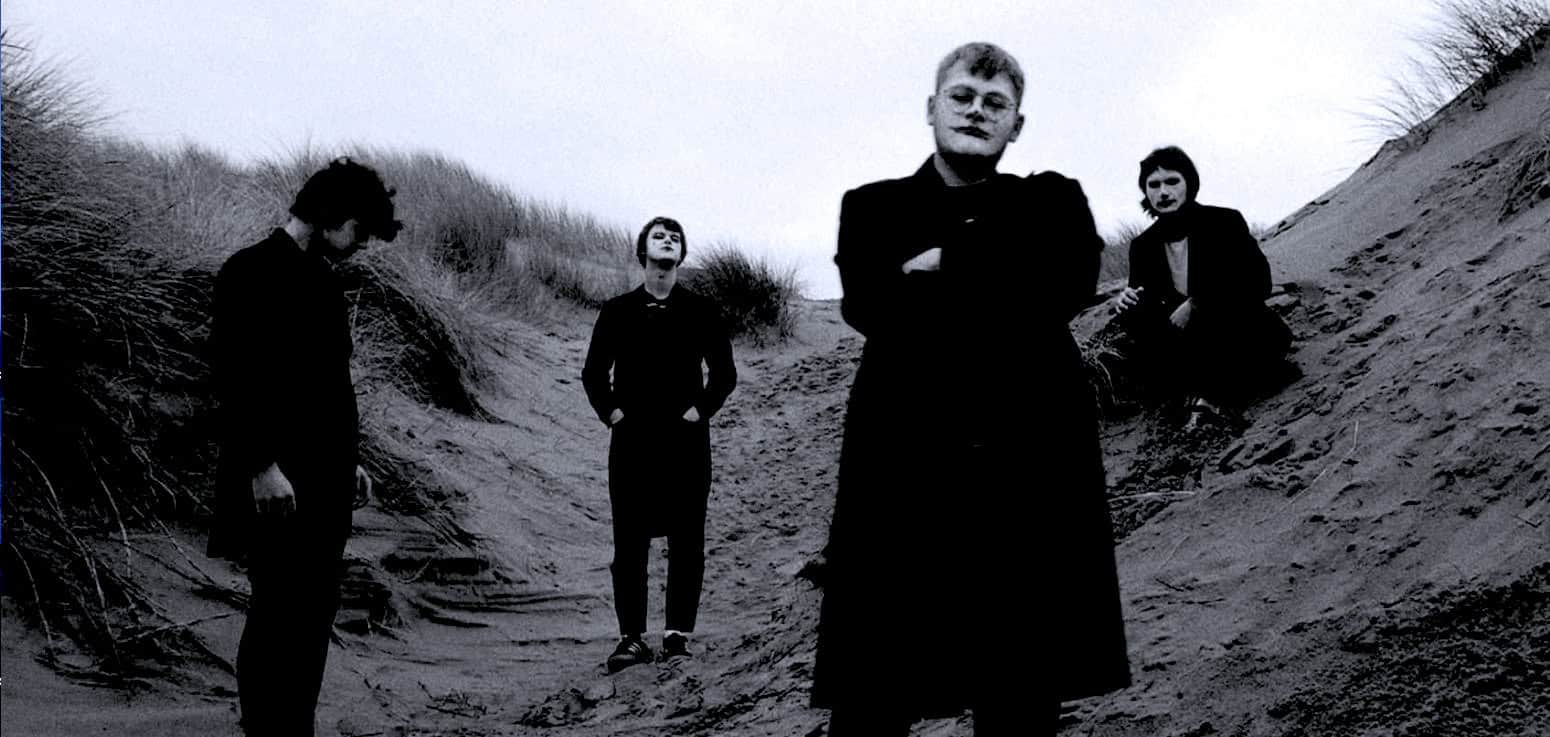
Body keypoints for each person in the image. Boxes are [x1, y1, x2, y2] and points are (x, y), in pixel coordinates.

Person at [812, 42, 1130, 735]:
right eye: (962, 96)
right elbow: (874, 302)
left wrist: (947, 261)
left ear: (1016, 125)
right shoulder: (872, 207)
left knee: (1019, 689)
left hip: (1027, 469)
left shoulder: (1052, 197)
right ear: (931, 109)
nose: (977, 111)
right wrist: (1007, 276)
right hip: (903, 466)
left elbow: (1068, 279)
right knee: (872, 693)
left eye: (996, 103)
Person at [207, 157, 402, 736]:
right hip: (276, 481)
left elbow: (329, 388)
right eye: (360, 230)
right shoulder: (249, 270)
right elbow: (232, 378)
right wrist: (261, 464)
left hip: (325, 478)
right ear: (332, 214)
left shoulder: (323, 282)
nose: (362, 244)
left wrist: (353, 460)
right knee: (276, 613)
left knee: (312, 615)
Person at [582, 216, 736, 673]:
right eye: (658, 235)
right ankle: (631, 638)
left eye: (674, 237)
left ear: (681, 253)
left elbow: (724, 374)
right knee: (629, 541)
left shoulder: (701, 310)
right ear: (643, 250)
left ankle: (676, 636)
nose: (667, 241)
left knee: (687, 540)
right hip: (632, 442)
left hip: (687, 442)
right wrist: (613, 413)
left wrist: (699, 410)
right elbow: (594, 373)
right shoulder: (617, 310)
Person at [1111, 146, 1293, 428]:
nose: (1163, 192)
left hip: (1237, 326)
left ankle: (1209, 398)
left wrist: (1199, 302)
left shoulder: (1224, 222)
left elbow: (1258, 281)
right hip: (1188, 342)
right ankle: (1202, 392)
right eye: (1154, 185)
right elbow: (1146, 303)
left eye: (1172, 181)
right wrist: (1127, 301)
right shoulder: (1142, 246)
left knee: (1229, 338)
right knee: (1137, 319)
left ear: (1189, 184)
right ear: (1145, 191)